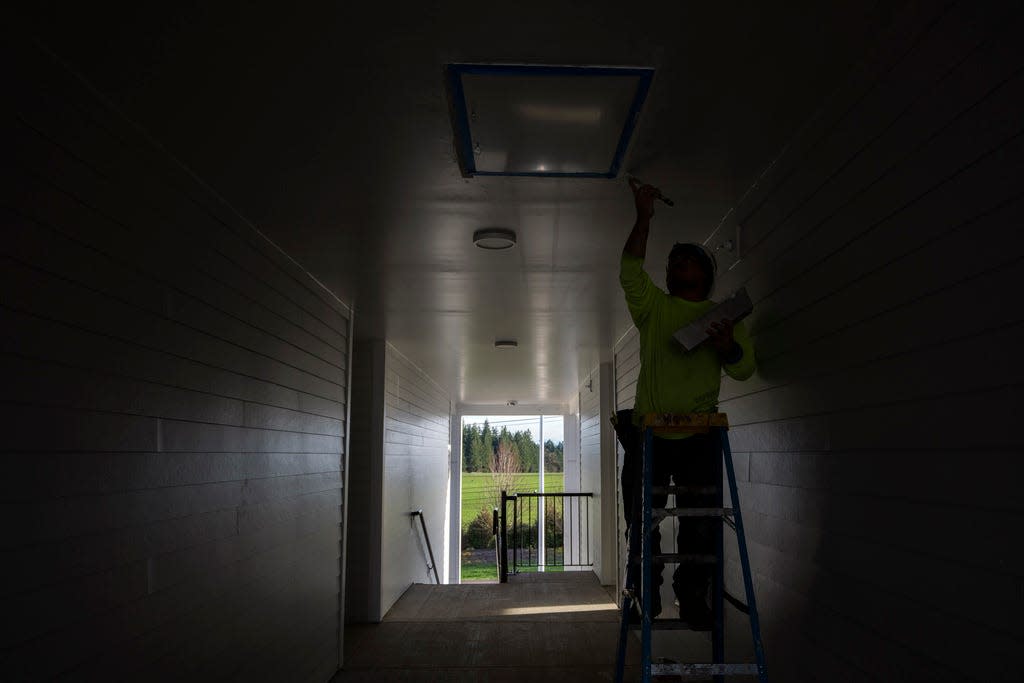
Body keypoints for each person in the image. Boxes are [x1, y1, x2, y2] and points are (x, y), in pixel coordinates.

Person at [617, 178, 756, 626]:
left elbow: (743, 367)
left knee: (700, 524)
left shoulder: (722, 318)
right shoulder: (654, 309)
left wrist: (727, 346)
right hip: (650, 433)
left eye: (688, 260)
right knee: (644, 522)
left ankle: (693, 597)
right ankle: (645, 596)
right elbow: (629, 272)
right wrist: (644, 217)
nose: (678, 263)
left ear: (704, 274)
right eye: (674, 261)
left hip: (699, 434)